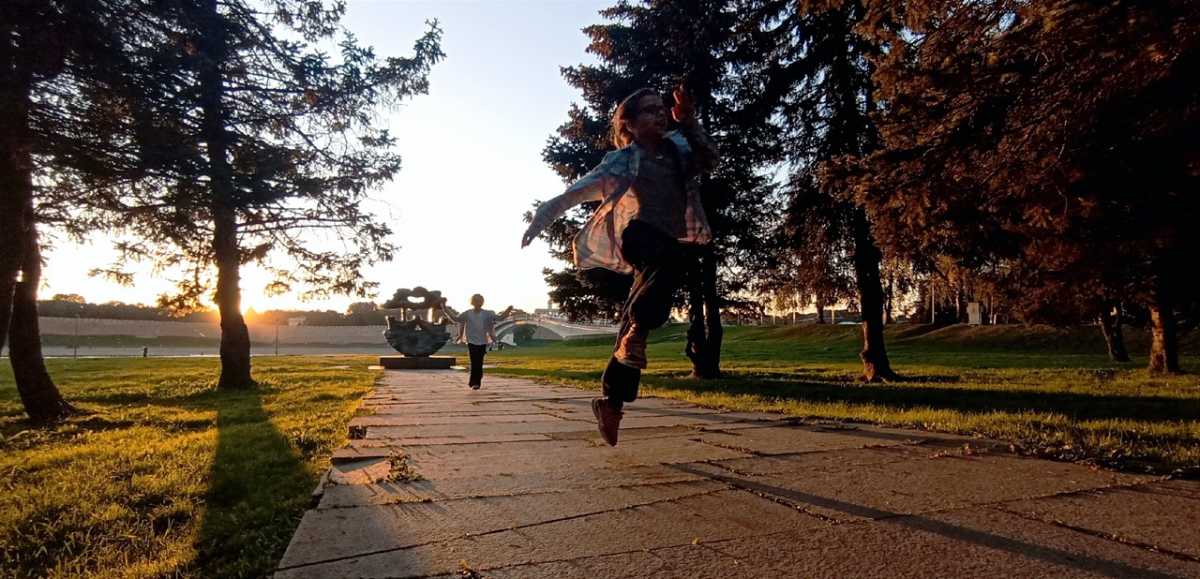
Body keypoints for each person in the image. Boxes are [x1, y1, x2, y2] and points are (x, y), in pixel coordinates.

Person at [521, 83, 718, 446]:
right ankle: (636, 334)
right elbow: (579, 189)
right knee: (667, 265)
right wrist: (542, 218)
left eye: (661, 109)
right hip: (640, 236)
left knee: (635, 321)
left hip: (670, 242)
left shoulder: (679, 147)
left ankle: (611, 403)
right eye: (648, 111)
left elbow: (708, 158)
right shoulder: (624, 158)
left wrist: (688, 120)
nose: (659, 115)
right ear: (628, 124)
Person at [439, 294, 513, 389]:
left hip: (483, 341)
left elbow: (500, 318)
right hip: (471, 341)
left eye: (480, 301)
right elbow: (456, 319)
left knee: (479, 362)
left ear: (482, 302)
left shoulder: (488, 313)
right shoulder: (467, 313)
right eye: (476, 300)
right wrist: (445, 309)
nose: (478, 302)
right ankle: (475, 382)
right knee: (474, 362)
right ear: (473, 302)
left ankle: (476, 381)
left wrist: (508, 310)